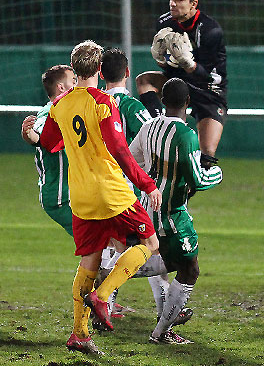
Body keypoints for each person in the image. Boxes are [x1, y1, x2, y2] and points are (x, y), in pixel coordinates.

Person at [38, 40, 162, 355]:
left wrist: (33, 133)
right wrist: (147, 184)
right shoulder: (104, 102)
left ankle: (79, 333)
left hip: (80, 198)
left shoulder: (60, 104)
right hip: (111, 192)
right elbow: (120, 150)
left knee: (89, 262)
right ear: (99, 69)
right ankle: (104, 296)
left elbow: (50, 142)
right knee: (149, 244)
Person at [98, 47, 192, 328]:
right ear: (125, 72)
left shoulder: (95, 102)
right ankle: (105, 299)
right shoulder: (131, 108)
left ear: (101, 74)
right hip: (129, 188)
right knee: (145, 246)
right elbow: (150, 139)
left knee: (118, 245)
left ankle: (112, 304)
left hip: (96, 183)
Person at [129, 77, 223, 344]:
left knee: (166, 260)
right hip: (171, 214)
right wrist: (217, 173)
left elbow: (133, 161)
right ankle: (159, 331)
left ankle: (110, 273)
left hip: (148, 207)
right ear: (188, 103)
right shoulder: (186, 135)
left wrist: (153, 177)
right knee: (188, 268)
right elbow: (198, 180)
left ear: (162, 100)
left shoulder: (148, 127)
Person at [136, 0, 227, 170]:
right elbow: (167, 67)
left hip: (208, 91)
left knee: (207, 158)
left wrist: (188, 63)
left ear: (193, 4)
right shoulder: (164, 23)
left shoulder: (210, 30)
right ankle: (157, 129)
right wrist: (160, 59)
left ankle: (184, 193)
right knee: (145, 81)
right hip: (178, 83)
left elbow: (207, 76)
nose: (172, 3)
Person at [21, 65, 78, 236]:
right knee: (100, 245)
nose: (78, 85)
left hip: (73, 193)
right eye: (74, 81)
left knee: (101, 246)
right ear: (61, 87)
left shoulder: (71, 111)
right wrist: (29, 133)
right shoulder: (49, 113)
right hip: (62, 196)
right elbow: (39, 137)